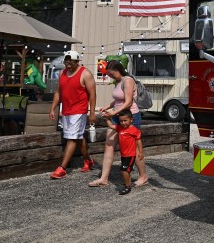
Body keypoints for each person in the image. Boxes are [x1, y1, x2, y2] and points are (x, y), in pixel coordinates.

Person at [88, 60, 148, 187]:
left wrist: (112, 113)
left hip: (130, 117)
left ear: (118, 70)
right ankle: (104, 178)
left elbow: (128, 102)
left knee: (134, 149)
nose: (110, 76)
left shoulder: (128, 80)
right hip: (117, 116)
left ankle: (143, 176)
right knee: (109, 145)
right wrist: (107, 107)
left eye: (111, 74)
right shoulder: (118, 82)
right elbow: (117, 100)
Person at [49, 50, 97, 179]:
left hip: (79, 110)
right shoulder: (62, 73)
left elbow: (92, 94)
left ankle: (62, 168)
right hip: (66, 110)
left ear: (77, 61)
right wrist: (53, 108)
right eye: (66, 62)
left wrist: (92, 112)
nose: (68, 65)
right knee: (77, 136)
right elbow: (58, 92)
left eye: (71, 62)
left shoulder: (85, 74)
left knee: (72, 138)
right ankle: (88, 160)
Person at [105, 109, 143, 195]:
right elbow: (111, 126)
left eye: (125, 120)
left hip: (130, 155)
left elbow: (139, 141)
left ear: (131, 120)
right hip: (124, 154)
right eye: (121, 121)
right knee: (127, 170)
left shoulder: (134, 130)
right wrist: (107, 119)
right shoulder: (120, 128)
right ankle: (128, 183)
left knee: (124, 169)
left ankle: (127, 187)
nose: (123, 123)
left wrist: (141, 152)